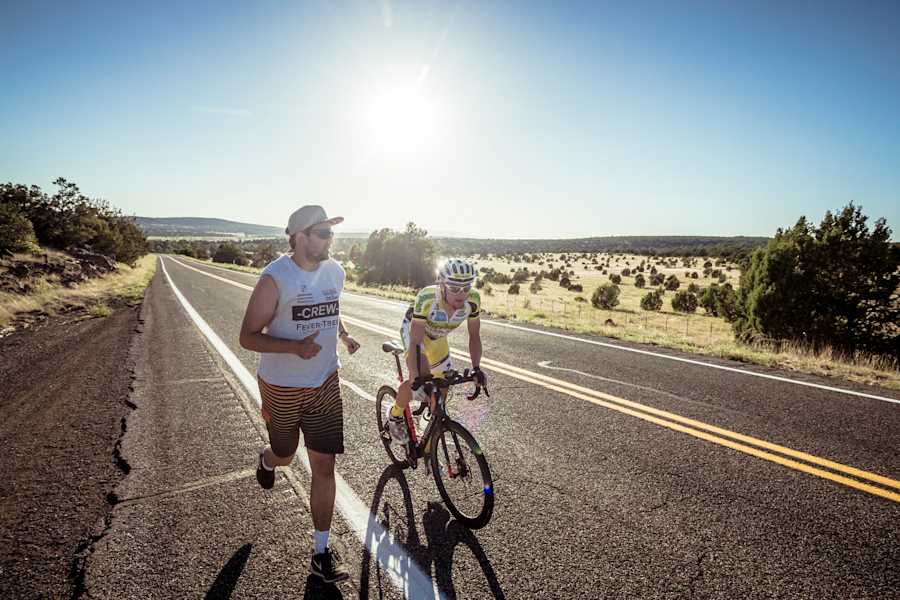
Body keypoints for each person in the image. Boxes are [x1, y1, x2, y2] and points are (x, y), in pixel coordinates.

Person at [239, 204, 360, 583]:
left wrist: (342, 335)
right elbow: (247, 337)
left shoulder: (335, 272)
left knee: (324, 467)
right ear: (300, 236)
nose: (329, 240)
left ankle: (321, 552)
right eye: (322, 233)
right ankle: (268, 459)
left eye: (331, 233)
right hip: (282, 388)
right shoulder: (275, 278)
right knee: (287, 455)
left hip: (325, 381)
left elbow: (332, 306)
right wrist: (294, 347)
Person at [387, 258, 487, 442]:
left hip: (438, 338)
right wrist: (416, 376)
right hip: (416, 335)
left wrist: (477, 368)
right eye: (455, 288)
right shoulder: (427, 298)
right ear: (442, 284)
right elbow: (416, 341)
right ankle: (395, 414)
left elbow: (474, 336)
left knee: (443, 386)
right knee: (421, 381)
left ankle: (430, 445)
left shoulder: (473, 300)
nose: (461, 293)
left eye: (466, 287)